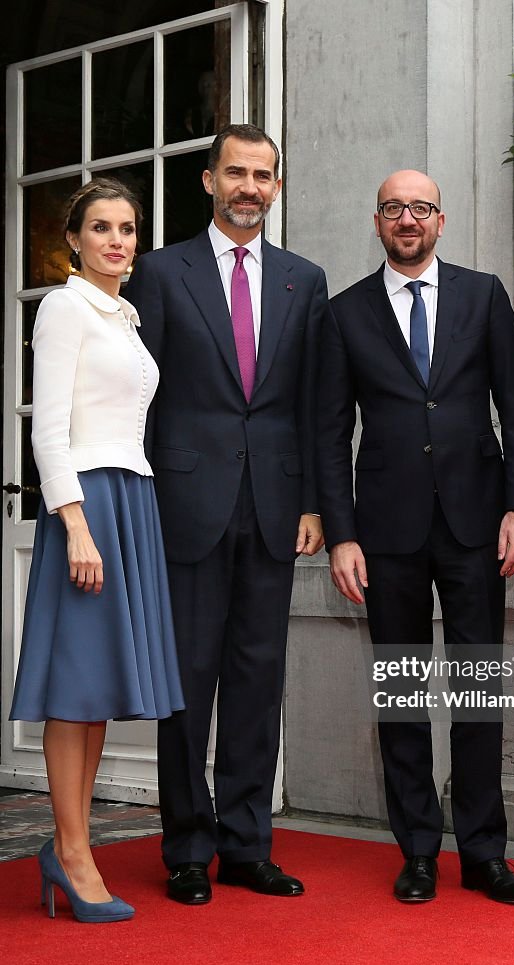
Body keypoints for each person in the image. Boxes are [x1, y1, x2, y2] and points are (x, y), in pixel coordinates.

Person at [316, 170, 514, 904]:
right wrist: (342, 534)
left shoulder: (483, 296)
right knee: (403, 692)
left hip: (478, 525)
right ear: (377, 221)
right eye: (392, 209)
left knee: (478, 690)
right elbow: (328, 432)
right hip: (385, 531)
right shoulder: (345, 312)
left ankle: (483, 852)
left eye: (419, 208)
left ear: (439, 219)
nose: (406, 219)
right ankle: (417, 849)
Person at [124, 124, 327, 906]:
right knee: (188, 680)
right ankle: (186, 847)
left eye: (264, 175)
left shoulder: (300, 280)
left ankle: (247, 846)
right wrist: (137, 501)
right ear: (208, 181)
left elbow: (313, 401)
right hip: (183, 505)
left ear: (276, 187)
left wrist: (312, 498)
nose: (250, 187)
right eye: (236, 173)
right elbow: (141, 393)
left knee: (256, 679)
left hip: (274, 507)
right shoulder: (161, 272)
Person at [10, 178, 184, 923]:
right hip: (86, 504)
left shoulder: (123, 315)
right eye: (102, 228)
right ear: (74, 239)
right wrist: (75, 524)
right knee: (76, 684)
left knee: (101, 687)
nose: (118, 240)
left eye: (128, 228)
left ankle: (69, 846)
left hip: (130, 499)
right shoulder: (64, 308)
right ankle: (73, 851)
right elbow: (47, 428)